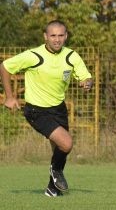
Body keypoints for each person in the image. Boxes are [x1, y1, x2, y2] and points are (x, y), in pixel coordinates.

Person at [1, 20, 93, 197]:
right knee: (66, 143)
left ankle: (52, 189)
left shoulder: (71, 56)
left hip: (59, 108)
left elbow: (87, 77)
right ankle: (55, 171)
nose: (57, 40)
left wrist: (87, 83)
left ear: (66, 36)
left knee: (59, 149)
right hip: (36, 110)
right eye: (53, 35)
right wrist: (10, 97)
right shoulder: (34, 55)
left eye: (60, 35)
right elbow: (4, 67)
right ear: (45, 37)